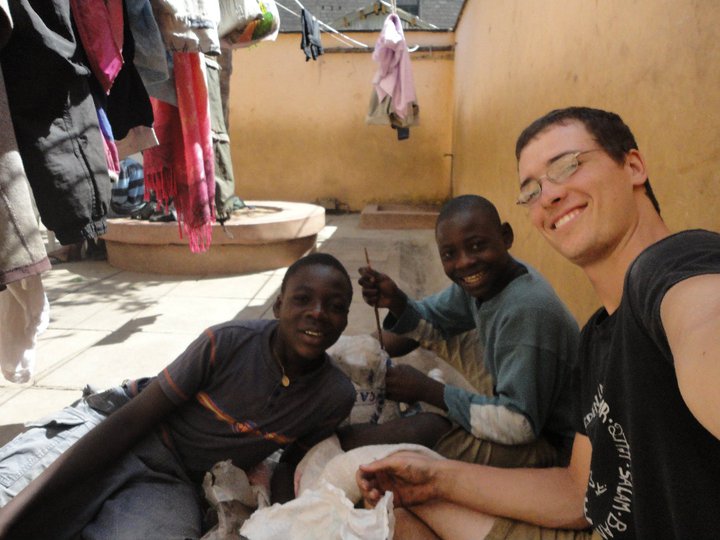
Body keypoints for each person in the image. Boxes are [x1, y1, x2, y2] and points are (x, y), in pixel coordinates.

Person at [356, 107, 720, 539]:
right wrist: (434, 477)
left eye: (568, 166)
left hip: (537, 444)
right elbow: (576, 489)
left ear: (633, 166)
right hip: (590, 516)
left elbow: (704, 325)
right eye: (531, 190)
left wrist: (428, 392)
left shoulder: (674, 273)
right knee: (392, 505)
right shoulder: (597, 339)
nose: (548, 195)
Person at [0, 252, 356, 539]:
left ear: (345, 319)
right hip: (113, 429)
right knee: (23, 505)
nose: (317, 313)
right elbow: (129, 422)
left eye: (335, 306)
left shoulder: (334, 396)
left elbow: (292, 466)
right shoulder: (227, 343)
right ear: (278, 307)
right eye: (303, 299)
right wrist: (13, 511)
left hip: (170, 479)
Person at [340, 195, 580, 470]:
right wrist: (395, 303)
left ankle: (335, 444)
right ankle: (342, 361)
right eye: (450, 254)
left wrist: (430, 391)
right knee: (426, 328)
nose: (465, 262)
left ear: (506, 236)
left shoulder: (527, 311)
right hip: (526, 402)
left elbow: (520, 424)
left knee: (429, 429)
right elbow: (428, 320)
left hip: (554, 445)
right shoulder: (489, 280)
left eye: (477, 246)